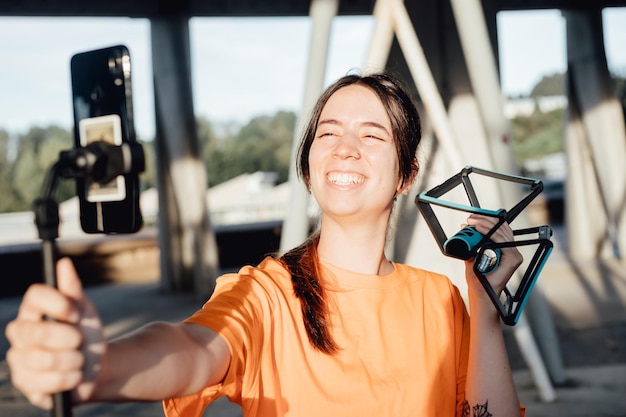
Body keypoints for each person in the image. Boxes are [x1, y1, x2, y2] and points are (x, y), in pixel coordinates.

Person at [5, 72, 524, 417]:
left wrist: (484, 312)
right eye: (328, 134)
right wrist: (101, 366)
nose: (345, 149)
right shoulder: (267, 294)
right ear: (308, 165)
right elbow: (191, 350)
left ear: (405, 175)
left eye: (372, 135)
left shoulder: (440, 300)